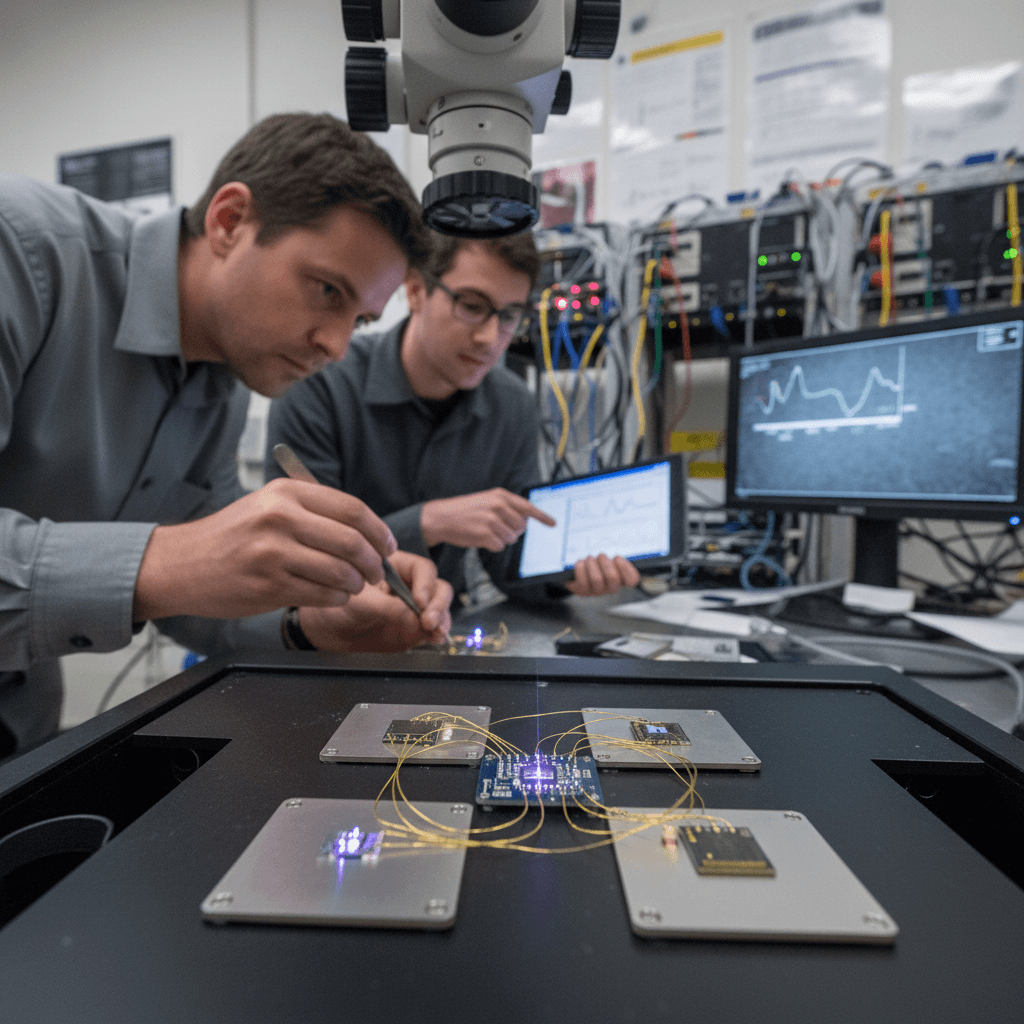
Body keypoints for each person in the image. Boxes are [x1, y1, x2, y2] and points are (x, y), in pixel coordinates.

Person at [0, 113, 454, 758]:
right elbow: (173, 572)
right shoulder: (21, 250)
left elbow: (194, 602)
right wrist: (166, 559)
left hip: (23, 738)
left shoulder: (224, 374)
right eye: (326, 290)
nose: (335, 343)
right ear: (230, 221)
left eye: (360, 318)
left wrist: (309, 621)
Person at [265, 230, 640, 604]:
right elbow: (303, 552)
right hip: (331, 636)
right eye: (472, 306)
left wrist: (564, 576)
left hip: (442, 628)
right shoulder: (320, 385)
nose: (490, 339)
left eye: (509, 316)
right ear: (414, 291)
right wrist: (430, 522)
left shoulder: (513, 406)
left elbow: (508, 561)